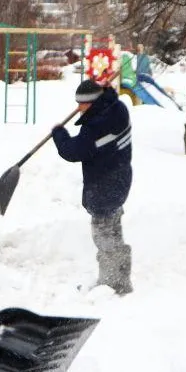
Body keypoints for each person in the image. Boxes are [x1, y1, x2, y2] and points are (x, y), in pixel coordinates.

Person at [52, 79, 134, 295]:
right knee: (114, 233)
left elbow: (73, 151)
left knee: (104, 237)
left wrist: (59, 134)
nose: (79, 109)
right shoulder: (118, 109)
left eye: (82, 105)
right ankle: (122, 280)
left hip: (103, 187)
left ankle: (110, 285)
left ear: (92, 103)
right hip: (120, 180)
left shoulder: (96, 126)